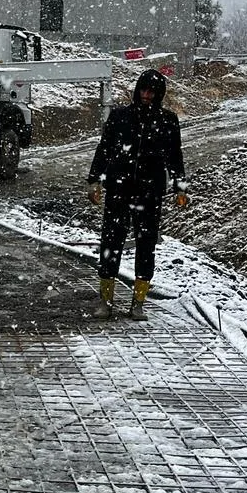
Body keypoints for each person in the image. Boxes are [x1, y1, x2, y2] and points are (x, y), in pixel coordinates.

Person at [87, 67, 188, 320]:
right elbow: (105, 148)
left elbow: (175, 156)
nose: (146, 95)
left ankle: (138, 303)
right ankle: (105, 301)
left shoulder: (168, 120)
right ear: (137, 90)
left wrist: (179, 187)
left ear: (159, 94)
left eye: (152, 91)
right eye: (143, 89)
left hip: (149, 193)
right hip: (119, 189)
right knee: (111, 242)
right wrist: (94, 181)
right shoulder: (120, 116)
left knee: (146, 245)